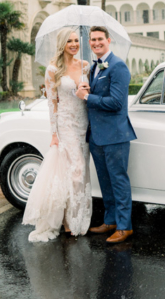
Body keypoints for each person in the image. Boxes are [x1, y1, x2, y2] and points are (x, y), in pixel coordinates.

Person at [22, 27, 92, 242]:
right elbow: (52, 103)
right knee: (74, 170)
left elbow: (89, 94)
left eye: (76, 40)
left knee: (82, 170)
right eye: (69, 41)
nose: (74, 44)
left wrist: (87, 92)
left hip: (83, 123)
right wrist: (54, 133)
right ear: (62, 44)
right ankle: (67, 221)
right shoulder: (53, 69)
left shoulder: (85, 66)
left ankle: (79, 218)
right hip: (65, 124)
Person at [76, 26, 137, 244]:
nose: (95, 43)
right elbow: (101, 95)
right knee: (105, 181)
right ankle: (110, 221)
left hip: (115, 136)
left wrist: (87, 98)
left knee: (119, 182)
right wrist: (88, 90)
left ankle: (124, 226)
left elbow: (117, 103)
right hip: (97, 136)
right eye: (92, 39)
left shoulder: (118, 66)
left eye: (100, 39)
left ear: (108, 40)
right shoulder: (96, 67)